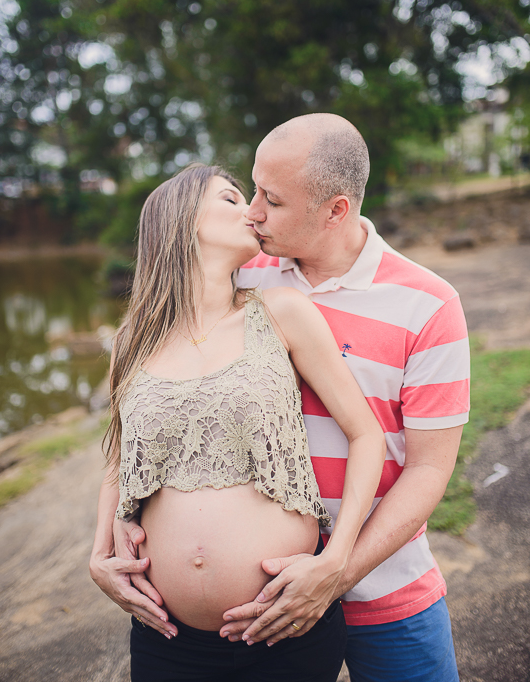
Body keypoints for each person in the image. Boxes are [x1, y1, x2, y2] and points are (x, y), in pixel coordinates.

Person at [95, 113, 470, 681]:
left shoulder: (428, 305)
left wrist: (334, 569)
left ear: (335, 210)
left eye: (270, 199)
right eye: (248, 192)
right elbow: (146, 420)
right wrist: (113, 530)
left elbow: (427, 471)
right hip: (246, 611)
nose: (253, 212)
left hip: (382, 584)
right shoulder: (244, 277)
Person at [89, 162, 386, 682]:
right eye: (231, 199)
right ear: (180, 222)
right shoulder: (130, 341)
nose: (252, 211)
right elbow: (120, 457)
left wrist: (336, 558)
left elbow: (366, 434)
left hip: (285, 628)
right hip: (168, 637)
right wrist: (98, 555)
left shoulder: (281, 314)